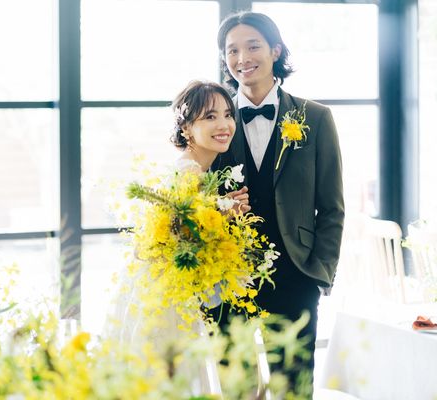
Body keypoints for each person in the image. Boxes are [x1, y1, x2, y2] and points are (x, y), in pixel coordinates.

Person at [208, 11, 345, 396]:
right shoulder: (212, 119)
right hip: (227, 278)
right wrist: (216, 206)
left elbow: (332, 207)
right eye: (232, 50)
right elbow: (193, 191)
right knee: (237, 390)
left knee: (293, 389)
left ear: (275, 50)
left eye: (252, 46)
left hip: (294, 276)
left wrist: (319, 272)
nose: (242, 58)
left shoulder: (315, 118)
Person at [104, 80, 249, 397]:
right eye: (210, 117)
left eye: (227, 115)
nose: (224, 125)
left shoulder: (195, 169)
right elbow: (173, 241)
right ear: (186, 128)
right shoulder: (189, 172)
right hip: (167, 294)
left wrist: (221, 211)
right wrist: (223, 215)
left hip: (169, 289)